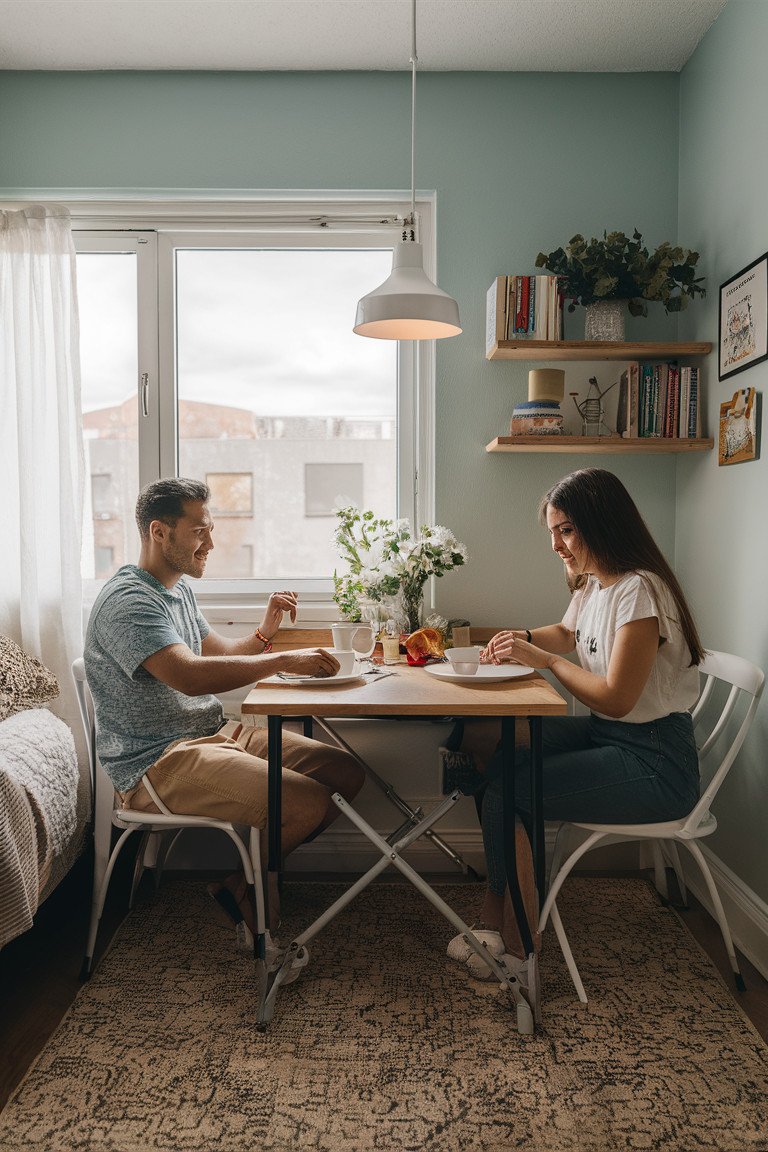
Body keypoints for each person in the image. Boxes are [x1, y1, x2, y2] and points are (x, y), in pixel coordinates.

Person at [84, 477, 365, 968]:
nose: (210, 543)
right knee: (303, 804)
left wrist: (265, 632)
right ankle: (257, 906)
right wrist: (283, 661)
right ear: (159, 532)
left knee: (345, 776)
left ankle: (240, 889)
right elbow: (189, 677)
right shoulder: (129, 602)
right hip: (157, 760)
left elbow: (220, 655)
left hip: (209, 736)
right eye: (200, 532)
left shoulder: (176, 591)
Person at [446, 467, 704, 982]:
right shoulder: (597, 585)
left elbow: (614, 698)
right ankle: (503, 913)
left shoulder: (641, 592)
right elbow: (566, 631)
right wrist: (518, 635)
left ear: (601, 524)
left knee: (508, 789)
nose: (556, 545)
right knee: (481, 739)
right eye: (552, 532)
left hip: (655, 762)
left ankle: (517, 946)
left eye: (565, 530)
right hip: (614, 739)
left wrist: (543, 661)